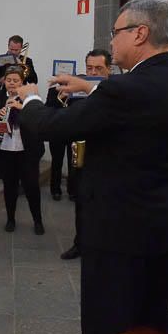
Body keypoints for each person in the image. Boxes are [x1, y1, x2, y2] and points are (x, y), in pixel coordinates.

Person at [16, 0, 168, 334]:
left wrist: (31, 99)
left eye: (116, 31)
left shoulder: (125, 90)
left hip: (119, 237)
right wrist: (89, 86)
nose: (112, 39)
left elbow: (54, 126)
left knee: (109, 333)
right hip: (167, 231)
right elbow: (141, 104)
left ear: (140, 33)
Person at [59, 49, 112, 261]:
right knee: (81, 200)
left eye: (98, 68)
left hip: (106, 156)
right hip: (79, 150)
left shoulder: (114, 89)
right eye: (89, 68)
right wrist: (61, 97)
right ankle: (80, 243)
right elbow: (58, 113)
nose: (93, 72)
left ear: (109, 69)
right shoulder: (76, 84)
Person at [0, 67, 45, 234]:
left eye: (15, 80)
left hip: (26, 150)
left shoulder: (29, 98)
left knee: (31, 186)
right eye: (9, 80)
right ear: (4, 81)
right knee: (9, 186)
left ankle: (37, 220)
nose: (11, 83)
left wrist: (20, 108)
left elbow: (39, 121)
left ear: (22, 82)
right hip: (5, 150)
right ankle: (10, 219)